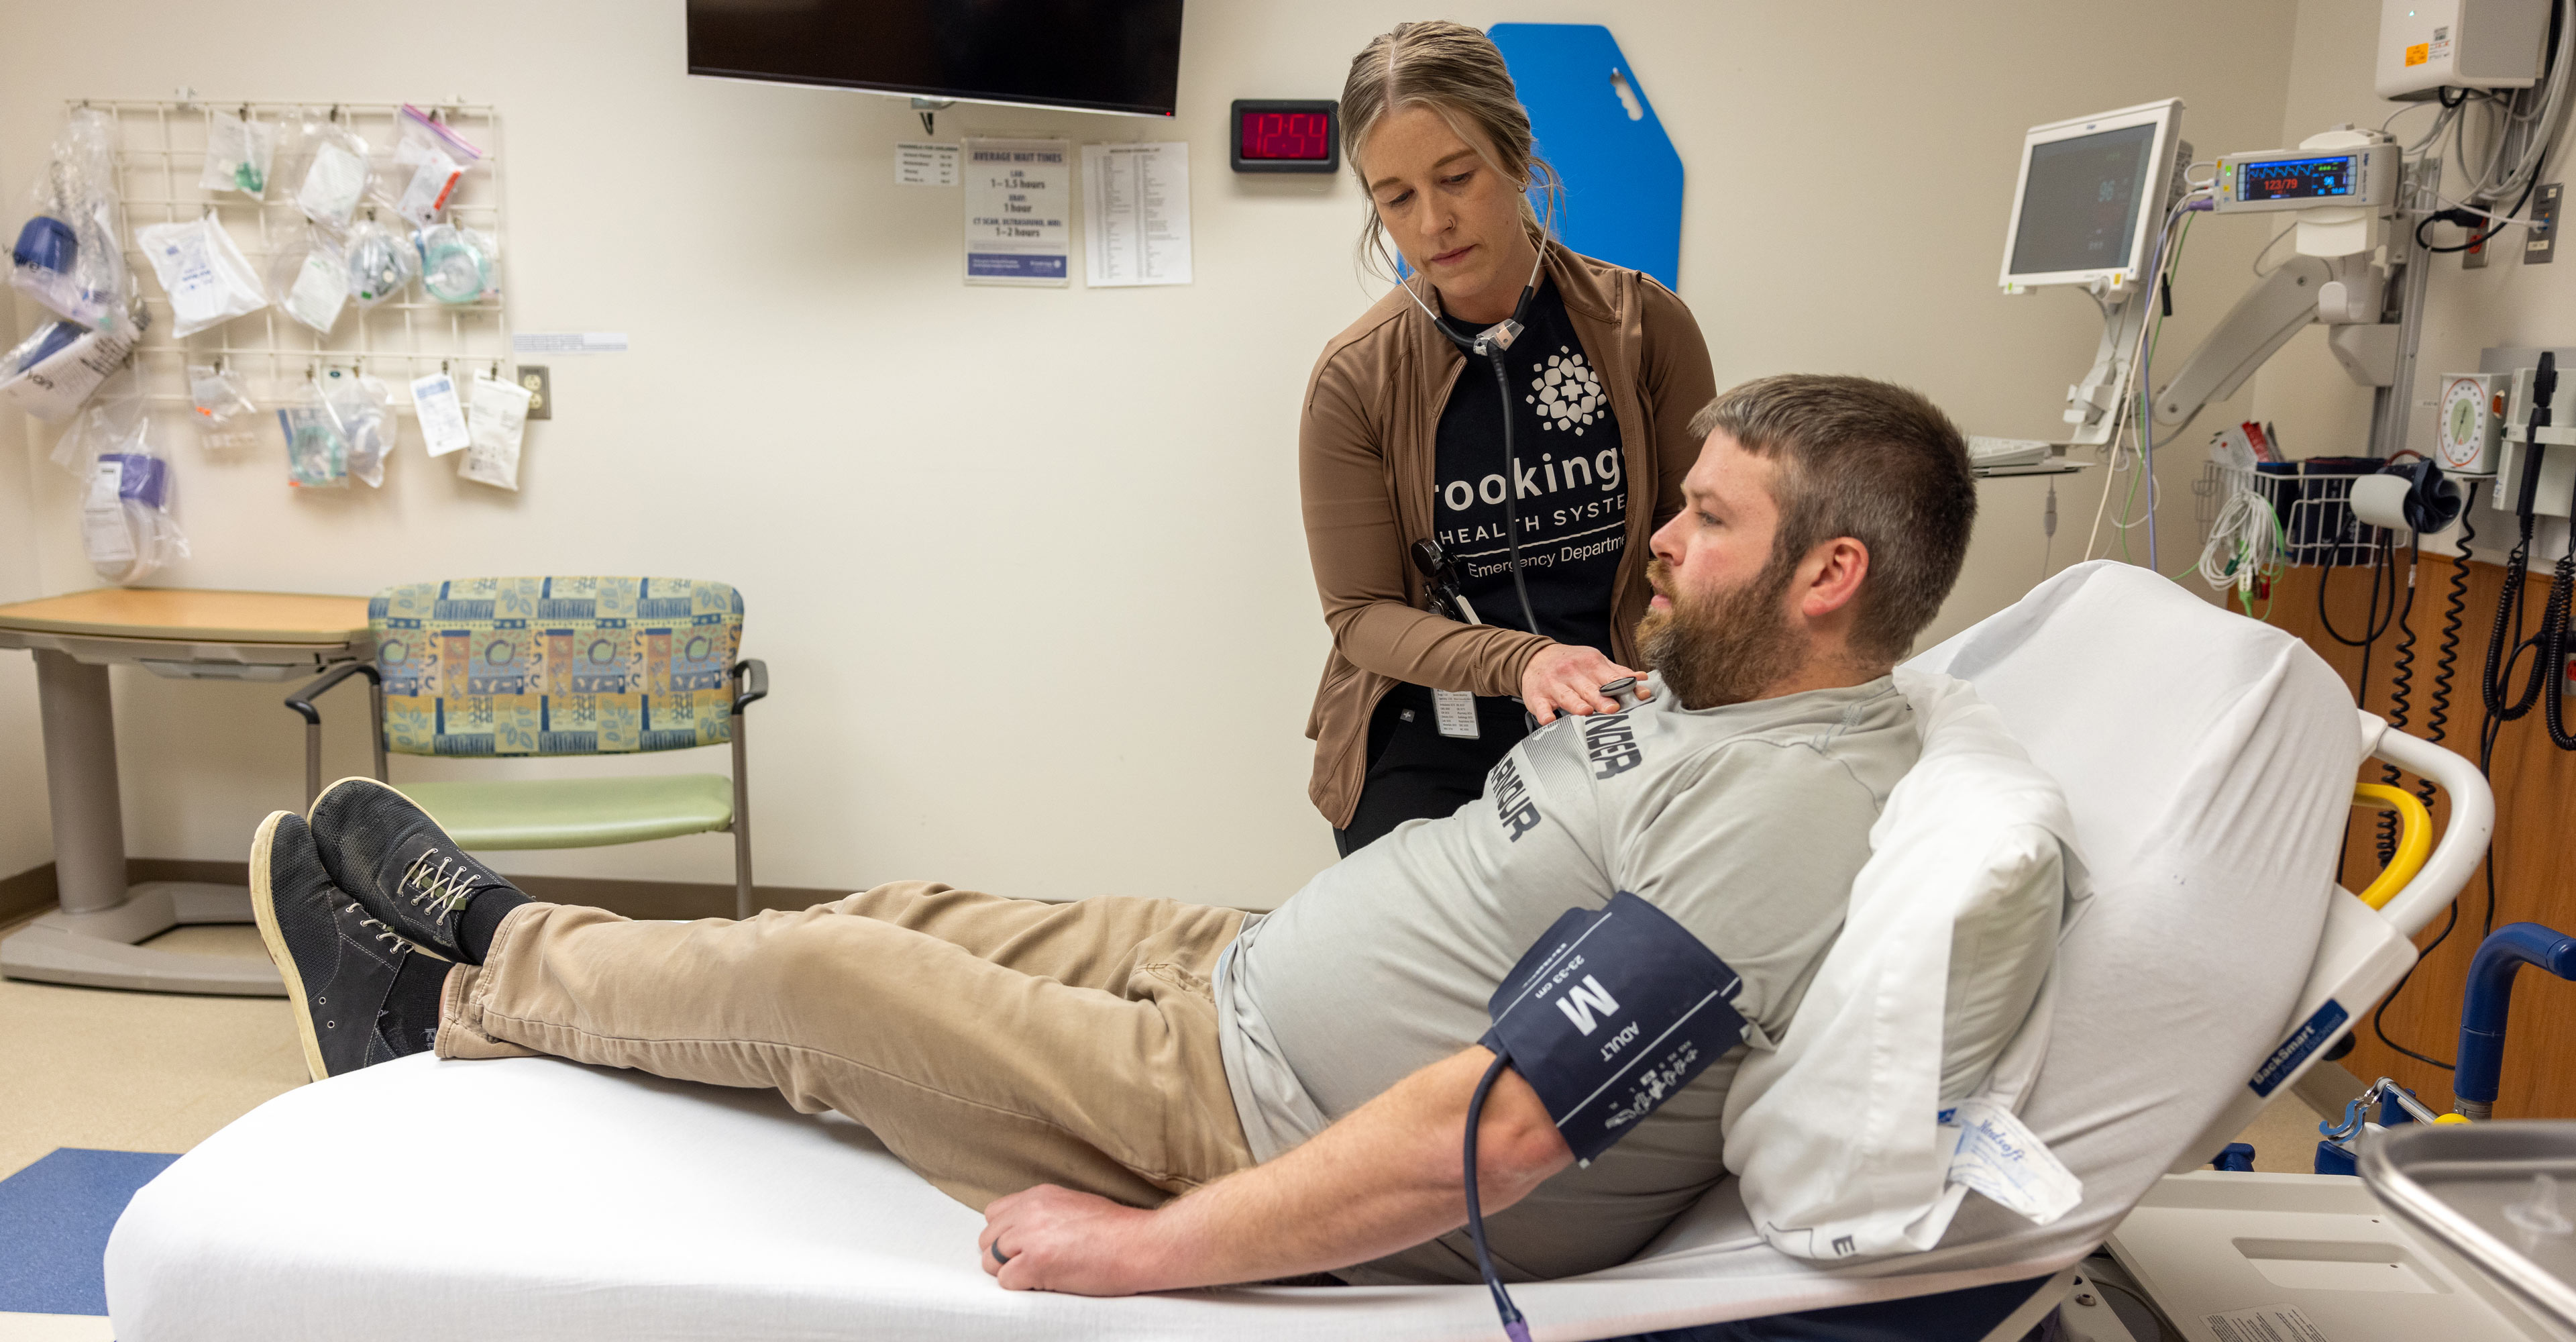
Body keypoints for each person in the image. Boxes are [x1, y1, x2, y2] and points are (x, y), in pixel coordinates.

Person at [248, 374, 1982, 1297]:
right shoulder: (1740, 699)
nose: (1663, 539)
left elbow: (1508, 1129)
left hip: (1252, 1114)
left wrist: (1149, 1250)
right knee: (913, 907)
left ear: (1832, 576)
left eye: (1707, 516)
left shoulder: (1794, 812)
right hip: (1226, 973)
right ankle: (479, 968)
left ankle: (454, 982)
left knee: (826, 975)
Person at [1301, 21, 1719, 856]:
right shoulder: (1354, 379)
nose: (1433, 223)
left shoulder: (1646, 327)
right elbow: (1360, 614)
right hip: (1433, 717)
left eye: (1457, 177)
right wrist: (1522, 661)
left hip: (1618, 696)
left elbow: (1706, 536)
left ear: (1520, 156)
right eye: (1396, 197)